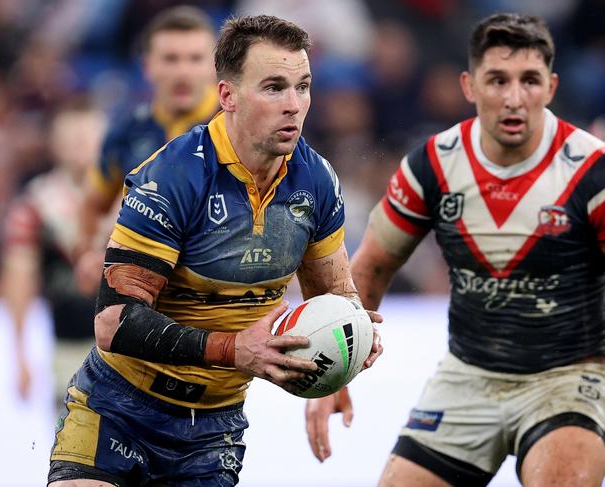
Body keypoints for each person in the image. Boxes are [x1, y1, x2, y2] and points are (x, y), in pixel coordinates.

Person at [48, 15, 382, 486]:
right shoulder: (172, 175)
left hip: (213, 428)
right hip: (118, 406)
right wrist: (235, 349)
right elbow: (112, 320)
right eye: (273, 88)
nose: (294, 105)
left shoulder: (317, 181)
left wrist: (349, 346)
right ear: (227, 96)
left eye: (302, 87)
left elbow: (334, 298)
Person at [306, 12, 605, 487]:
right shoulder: (433, 164)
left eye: (529, 80)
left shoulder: (591, 169)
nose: (513, 98)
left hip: (567, 379)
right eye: (497, 80)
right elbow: (371, 270)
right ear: (469, 85)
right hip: (467, 376)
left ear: (551, 87)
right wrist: (333, 372)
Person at [75, 5, 220, 295]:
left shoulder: (237, 127)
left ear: (214, 66)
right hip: (145, 292)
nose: (183, 72)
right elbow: (92, 204)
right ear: (147, 66)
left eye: (195, 59)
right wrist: (90, 255)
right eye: (170, 59)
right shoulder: (126, 131)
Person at [0, 101, 106, 403]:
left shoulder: (134, 192)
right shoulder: (34, 205)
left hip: (133, 348)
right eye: (71, 139)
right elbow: (17, 278)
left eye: (86, 136)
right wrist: (19, 353)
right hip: (69, 347)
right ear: (54, 145)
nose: (79, 145)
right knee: (73, 441)